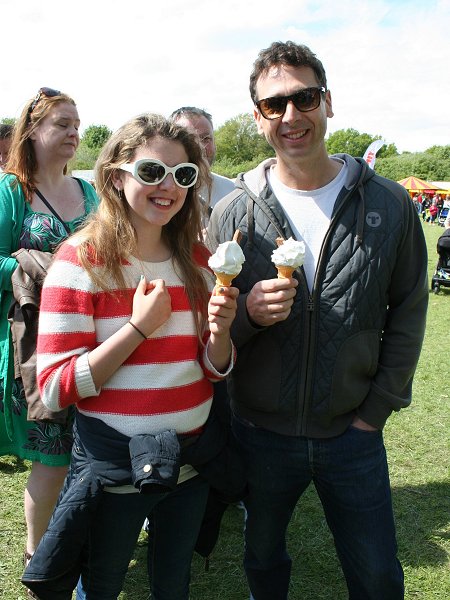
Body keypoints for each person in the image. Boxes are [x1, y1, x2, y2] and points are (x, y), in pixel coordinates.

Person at [207, 41, 428, 600]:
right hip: (258, 431)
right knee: (261, 559)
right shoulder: (232, 212)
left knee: (378, 576)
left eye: (303, 98)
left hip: (352, 432)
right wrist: (249, 317)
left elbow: (408, 312)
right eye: (272, 106)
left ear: (327, 102)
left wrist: (375, 411)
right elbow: (209, 330)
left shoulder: (390, 203)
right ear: (257, 118)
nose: (290, 117)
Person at [23, 113, 238, 599]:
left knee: (172, 581)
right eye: (151, 172)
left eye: (183, 175)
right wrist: (139, 328)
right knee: (101, 584)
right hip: (117, 470)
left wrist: (221, 334)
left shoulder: (199, 262)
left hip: (190, 462)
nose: (168, 186)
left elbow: (211, 367)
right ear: (116, 177)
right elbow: (55, 387)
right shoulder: (79, 263)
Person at [0, 88, 98, 574]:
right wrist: (40, 267)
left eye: (76, 124)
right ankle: (38, 556)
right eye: (62, 123)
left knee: (92, 450)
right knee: (53, 457)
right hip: (37, 346)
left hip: (95, 339)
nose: (73, 133)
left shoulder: (90, 191)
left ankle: (81, 539)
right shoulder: (11, 191)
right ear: (32, 130)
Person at [170, 106, 235, 222]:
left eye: (206, 138)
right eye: (190, 139)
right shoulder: (161, 193)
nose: (200, 147)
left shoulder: (232, 192)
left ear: (215, 144)